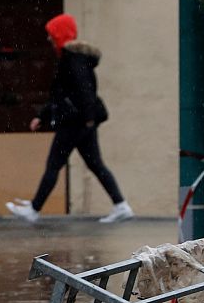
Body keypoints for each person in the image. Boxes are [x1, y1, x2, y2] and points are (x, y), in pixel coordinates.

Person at [7, 13, 133, 225]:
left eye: (51, 34)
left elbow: (82, 93)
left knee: (54, 164)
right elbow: (65, 95)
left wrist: (87, 119)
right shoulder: (75, 59)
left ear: (60, 34)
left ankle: (34, 209)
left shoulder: (72, 60)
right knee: (95, 164)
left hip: (74, 123)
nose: (48, 39)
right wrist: (43, 116)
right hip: (81, 123)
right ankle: (121, 205)